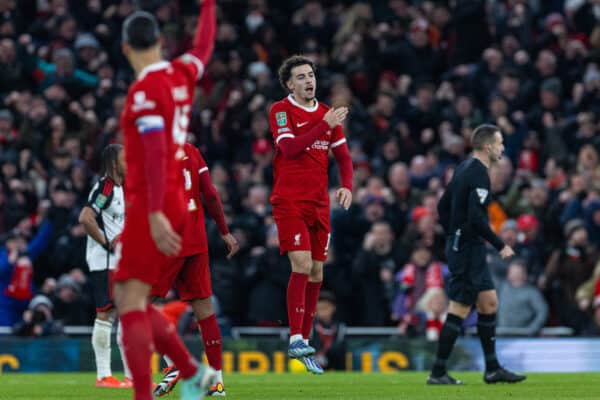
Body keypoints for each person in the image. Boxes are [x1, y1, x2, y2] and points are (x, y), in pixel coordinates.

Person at [113, 3, 217, 400]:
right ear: (159, 40)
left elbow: (155, 152)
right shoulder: (181, 74)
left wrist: (153, 211)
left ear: (125, 49)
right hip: (172, 195)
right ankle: (193, 372)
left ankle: (147, 393)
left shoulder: (144, 92)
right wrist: (208, 6)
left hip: (152, 200)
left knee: (130, 304)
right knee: (127, 296)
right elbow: (204, 47)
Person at [268, 54, 354, 374]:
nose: (308, 80)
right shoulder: (280, 111)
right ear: (290, 84)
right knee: (301, 264)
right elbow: (289, 149)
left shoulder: (325, 114)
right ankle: (294, 337)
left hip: (319, 204)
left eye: (310, 75)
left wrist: (346, 185)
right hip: (289, 201)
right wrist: (324, 125)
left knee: (318, 273)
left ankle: (304, 340)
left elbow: (343, 158)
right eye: (301, 77)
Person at [428, 124, 526, 385]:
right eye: (500, 142)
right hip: (468, 250)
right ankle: (437, 372)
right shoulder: (479, 173)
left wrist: (452, 232)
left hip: (466, 246)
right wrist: (500, 244)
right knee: (459, 308)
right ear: (487, 146)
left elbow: (442, 204)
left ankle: (492, 369)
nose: (503, 147)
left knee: (489, 302)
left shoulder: (463, 168)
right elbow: (477, 219)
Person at [153, 142, 239, 397]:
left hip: (168, 242)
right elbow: (210, 194)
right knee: (205, 312)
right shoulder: (191, 151)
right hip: (195, 241)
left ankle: (174, 364)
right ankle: (217, 383)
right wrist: (224, 231)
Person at [78, 144, 131, 388]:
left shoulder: (122, 189)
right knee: (106, 314)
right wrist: (107, 243)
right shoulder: (105, 188)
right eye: (124, 158)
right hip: (105, 261)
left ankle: (132, 377)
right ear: (113, 163)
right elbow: (86, 217)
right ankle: (103, 376)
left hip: (121, 260)